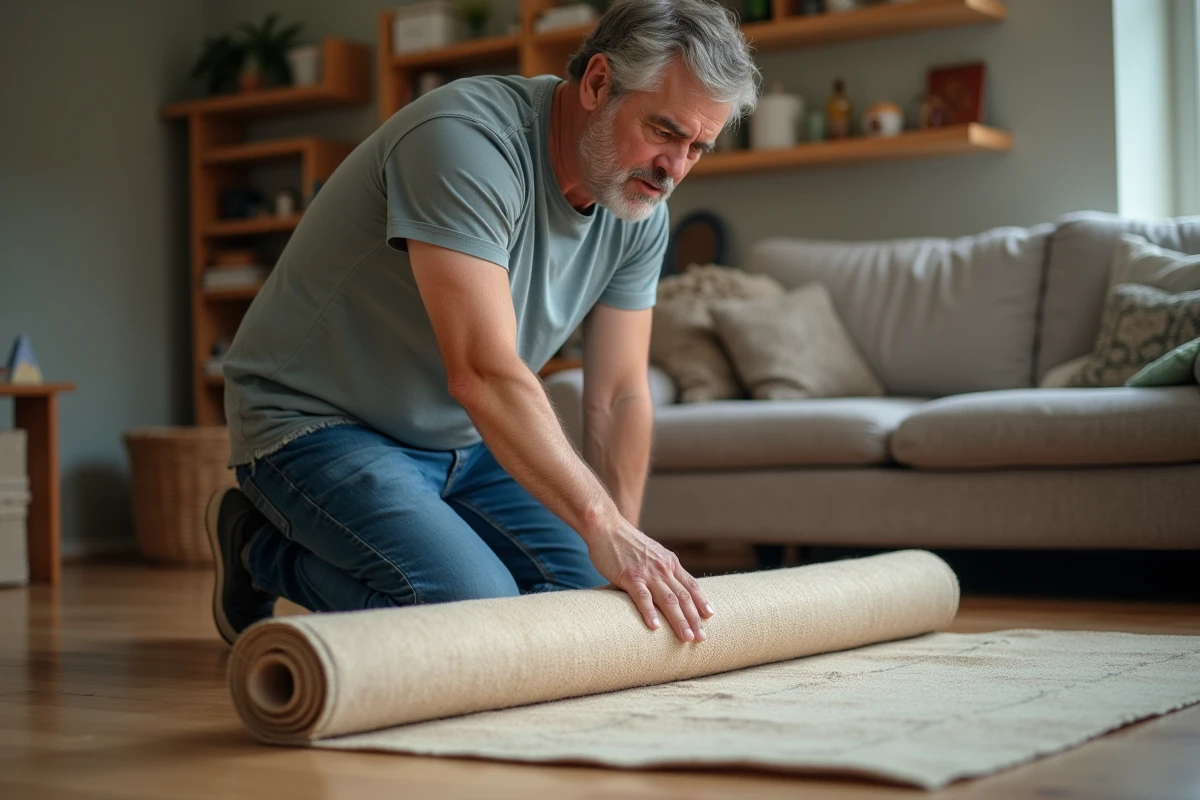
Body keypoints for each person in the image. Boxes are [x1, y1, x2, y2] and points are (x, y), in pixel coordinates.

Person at [204, 0, 760, 647]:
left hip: (467, 443)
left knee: (593, 603)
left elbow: (619, 394)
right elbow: (482, 370)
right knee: (471, 609)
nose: (675, 169)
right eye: (664, 131)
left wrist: (623, 544)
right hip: (314, 421)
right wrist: (600, 526)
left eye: (697, 148)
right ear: (598, 83)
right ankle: (258, 549)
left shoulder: (638, 210)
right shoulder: (465, 141)